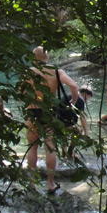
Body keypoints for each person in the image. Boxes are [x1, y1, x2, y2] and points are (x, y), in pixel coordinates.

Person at [25, 46, 79, 194]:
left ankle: (32, 184)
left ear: (34, 58)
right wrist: (72, 103)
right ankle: (50, 183)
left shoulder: (28, 72)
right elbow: (74, 86)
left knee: (32, 147)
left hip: (32, 110)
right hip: (49, 112)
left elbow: (20, 93)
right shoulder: (56, 71)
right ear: (46, 57)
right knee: (50, 146)